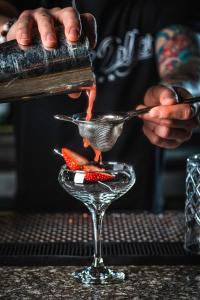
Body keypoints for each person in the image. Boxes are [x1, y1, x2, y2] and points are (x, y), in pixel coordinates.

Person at [0, 0, 199, 211]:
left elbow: (187, 60)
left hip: (135, 214)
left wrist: (176, 91)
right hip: (38, 215)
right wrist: (10, 30)